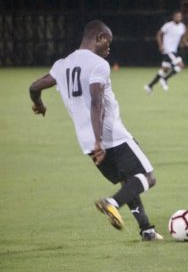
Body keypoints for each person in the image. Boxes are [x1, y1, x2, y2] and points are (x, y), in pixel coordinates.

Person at [28, 20, 163, 241]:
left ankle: (146, 230)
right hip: (110, 136)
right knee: (148, 177)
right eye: (107, 42)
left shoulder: (62, 64)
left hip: (86, 143)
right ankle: (112, 203)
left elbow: (34, 87)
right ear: (99, 37)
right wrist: (100, 141)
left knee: (127, 182)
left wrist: (39, 104)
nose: (109, 48)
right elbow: (96, 103)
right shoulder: (98, 64)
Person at [145, 11, 188, 94]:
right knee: (181, 65)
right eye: (176, 16)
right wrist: (160, 45)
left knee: (164, 70)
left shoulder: (182, 27)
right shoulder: (168, 25)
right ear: (173, 17)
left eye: (179, 16)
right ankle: (165, 79)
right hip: (168, 50)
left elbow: (182, 37)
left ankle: (149, 86)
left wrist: (186, 43)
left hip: (174, 50)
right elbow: (159, 34)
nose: (178, 18)